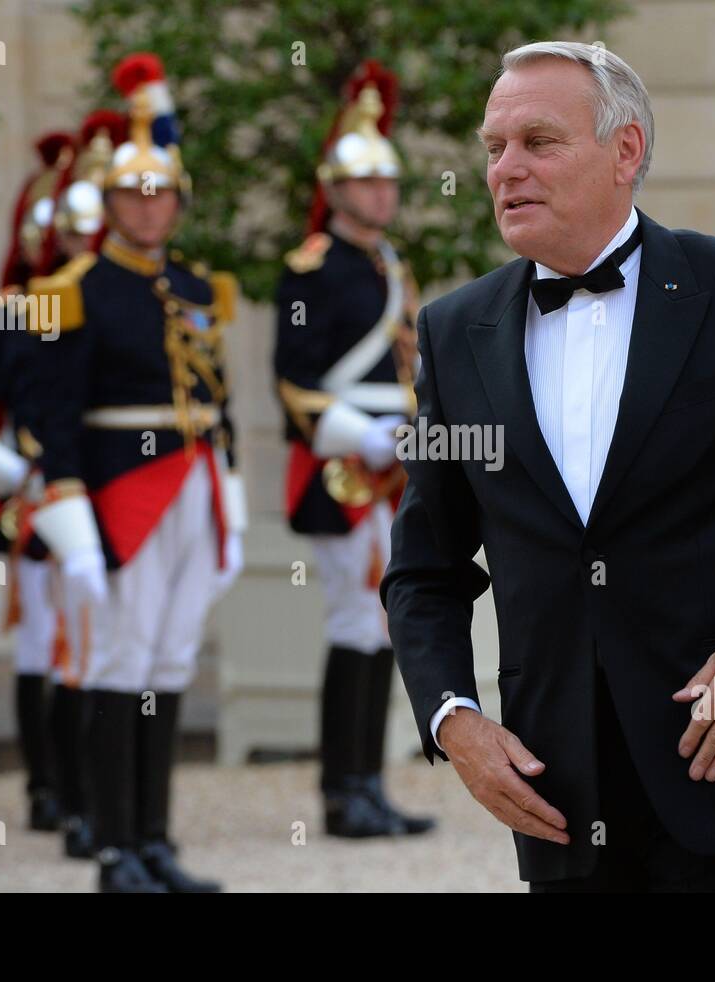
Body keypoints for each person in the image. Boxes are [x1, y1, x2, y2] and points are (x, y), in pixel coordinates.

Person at [379, 42, 715, 892]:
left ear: (625, 152)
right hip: (556, 800)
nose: (505, 169)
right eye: (494, 148)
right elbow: (423, 568)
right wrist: (454, 721)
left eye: (538, 143)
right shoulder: (453, 332)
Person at [25, 53, 244, 893]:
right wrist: (71, 517)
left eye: (160, 194)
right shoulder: (76, 289)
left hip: (192, 482)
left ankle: (155, 840)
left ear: (176, 203)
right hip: (122, 490)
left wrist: (227, 492)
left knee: (172, 661)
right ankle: (114, 846)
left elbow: (215, 399)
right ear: (109, 203)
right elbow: (53, 420)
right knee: (123, 659)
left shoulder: (192, 285)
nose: (147, 207)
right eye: (131, 194)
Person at [273, 61, 434, 838]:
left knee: (383, 629)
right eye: (365, 184)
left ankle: (367, 783)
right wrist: (365, 433)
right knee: (354, 624)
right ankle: (342, 791)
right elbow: (294, 383)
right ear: (334, 189)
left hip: (394, 459)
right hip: (341, 464)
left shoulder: (391, 268)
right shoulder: (308, 272)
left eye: (387, 183)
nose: (381, 196)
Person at [0, 129, 77, 843]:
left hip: (98, 495)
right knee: (39, 648)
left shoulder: (98, 301)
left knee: (99, 647)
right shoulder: (7, 315)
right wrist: (14, 477)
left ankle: (90, 786)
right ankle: (44, 788)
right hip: (33, 501)